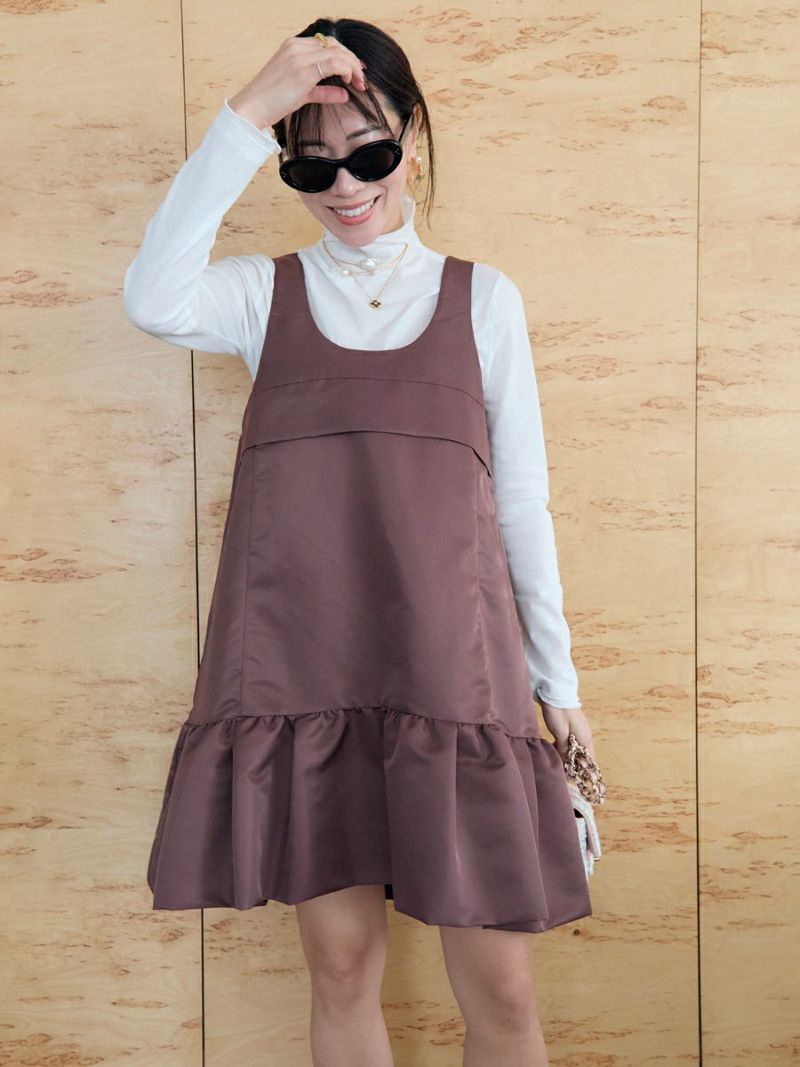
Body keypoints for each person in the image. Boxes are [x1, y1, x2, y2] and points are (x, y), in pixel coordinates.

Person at [124, 18, 597, 1067]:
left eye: (369, 154)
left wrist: (556, 686)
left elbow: (522, 501)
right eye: (309, 165)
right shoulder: (262, 297)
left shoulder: (483, 298)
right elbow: (152, 299)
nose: (343, 186)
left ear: (412, 141)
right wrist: (247, 113)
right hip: (310, 676)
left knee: (504, 990)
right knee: (339, 970)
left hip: (454, 673)